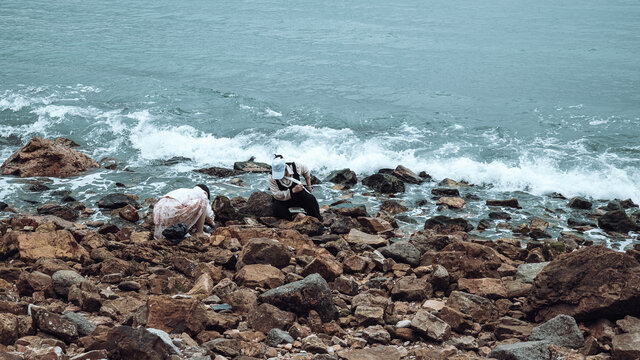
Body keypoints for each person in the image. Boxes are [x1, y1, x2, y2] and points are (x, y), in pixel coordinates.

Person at [268, 155, 323, 221]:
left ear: (285, 168)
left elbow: (306, 171)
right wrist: (292, 191)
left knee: (311, 199)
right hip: (283, 200)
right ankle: (291, 220)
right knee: (277, 209)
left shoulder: (295, 166)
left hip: (298, 196)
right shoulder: (271, 177)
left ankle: (317, 219)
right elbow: (277, 194)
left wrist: (309, 186)